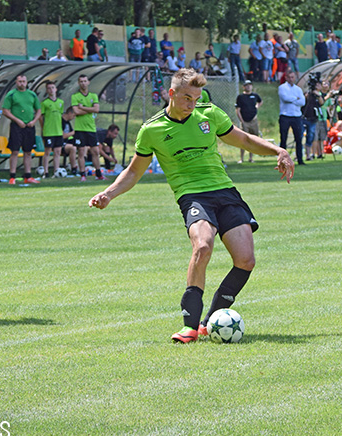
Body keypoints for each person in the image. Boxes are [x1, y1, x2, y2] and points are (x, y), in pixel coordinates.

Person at [88, 68, 294, 343]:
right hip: (193, 196)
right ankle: (190, 326)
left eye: (196, 99)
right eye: (186, 98)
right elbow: (135, 171)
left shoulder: (209, 114)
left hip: (225, 191)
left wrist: (278, 150)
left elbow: (243, 139)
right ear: (171, 94)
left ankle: (212, 321)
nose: (191, 105)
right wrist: (109, 194)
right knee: (203, 245)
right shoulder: (152, 130)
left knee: (245, 260)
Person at [1, 74, 41, 184]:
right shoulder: (11, 94)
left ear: (27, 82)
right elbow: (5, 110)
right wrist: (18, 120)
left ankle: (28, 175)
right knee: (14, 151)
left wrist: (34, 121)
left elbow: (38, 110)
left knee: (28, 151)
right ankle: (12, 176)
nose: (22, 83)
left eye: (23, 81)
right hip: (16, 126)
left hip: (29, 126)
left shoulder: (32, 95)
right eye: (20, 81)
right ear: (16, 82)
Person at [72, 74, 105, 182]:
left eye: (85, 81)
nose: (83, 83)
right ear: (78, 83)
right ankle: (82, 174)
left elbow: (97, 109)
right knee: (81, 152)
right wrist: (89, 109)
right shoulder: (75, 96)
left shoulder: (93, 96)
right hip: (80, 129)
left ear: (88, 82)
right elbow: (76, 111)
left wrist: (83, 108)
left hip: (91, 128)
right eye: (81, 81)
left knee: (95, 151)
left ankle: (99, 174)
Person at [278, 70, 306, 165]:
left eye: (293, 77)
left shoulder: (298, 89)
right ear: (286, 77)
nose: (291, 79)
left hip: (296, 116)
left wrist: (293, 99)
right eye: (289, 77)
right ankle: (283, 161)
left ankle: (300, 159)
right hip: (285, 115)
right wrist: (296, 98)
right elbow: (285, 99)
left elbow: (302, 102)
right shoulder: (282, 88)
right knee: (283, 138)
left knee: (299, 138)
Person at [40, 81, 65, 177]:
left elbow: (61, 116)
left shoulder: (60, 102)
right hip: (48, 131)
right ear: (47, 90)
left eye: (53, 87)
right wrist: (44, 127)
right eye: (49, 88)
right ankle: (45, 172)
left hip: (58, 131)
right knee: (47, 152)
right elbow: (41, 117)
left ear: (56, 89)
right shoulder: (45, 103)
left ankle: (56, 171)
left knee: (58, 152)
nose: (51, 90)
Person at [235, 80, 262, 163]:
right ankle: (242, 158)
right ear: (243, 87)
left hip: (253, 121)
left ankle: (251, 158)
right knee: (243, 140)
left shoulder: (255, 96)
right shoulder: (241, 97)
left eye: (250, 85)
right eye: (246, 85)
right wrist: (242, 121)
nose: (248, 87)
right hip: (244, 121)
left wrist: (257, 107)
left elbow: (260, 101)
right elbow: (238, 110)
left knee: (253, 139)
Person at [302, 79, 324, 160]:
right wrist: (306, 96)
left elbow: (321, 103)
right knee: (300, 136)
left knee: (310, 136)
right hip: (304, 117)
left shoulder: (317, 95)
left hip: (313, 118)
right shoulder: (307, 94)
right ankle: (299, 155)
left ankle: (308, 155)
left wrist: (318, 95)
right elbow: (303, 102)